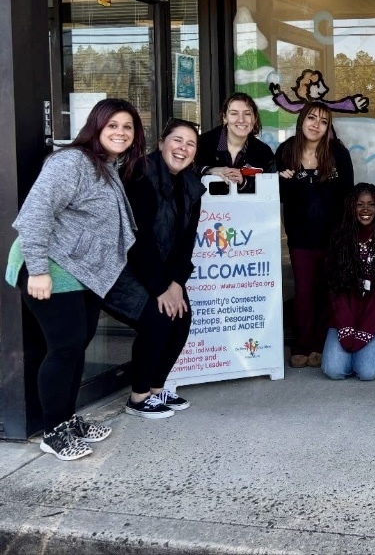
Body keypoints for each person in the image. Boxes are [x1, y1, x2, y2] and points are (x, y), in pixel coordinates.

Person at [5, 99, 143, 460]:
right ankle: (53, 432)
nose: (121, 132)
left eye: (127, 127)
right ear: (96, 126)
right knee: (64, 348)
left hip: (81, 270)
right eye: (112, 125)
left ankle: (68, 419)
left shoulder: (106, 164)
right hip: (50, 265)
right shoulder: (71, 162)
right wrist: (38, 270)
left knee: (77, 345)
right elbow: (35, 215)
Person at [104, 118, 205, 419]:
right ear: (161, 143)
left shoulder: (191, 185)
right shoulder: (139, 175)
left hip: (158, 270)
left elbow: (186, 242)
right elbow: (138, 240)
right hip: (121, 267)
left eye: (190, 144)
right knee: (158, 317)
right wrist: (161, 289)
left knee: (181, 316)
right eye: (177, 140)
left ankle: (156, 389)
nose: (182, 148)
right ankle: (138, 397)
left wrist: (176, 284)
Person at [276, 101, 354, 369]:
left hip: (332, 236)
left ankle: (319, 345)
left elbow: (348, 196)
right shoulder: (286, 150)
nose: (316, 125)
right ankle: (300, 345)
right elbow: (278, 194)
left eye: (323, 121)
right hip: (300, 237)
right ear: (302, 120)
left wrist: (345, 235)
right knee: (304, 293)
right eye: (311, 118)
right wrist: (282, 180)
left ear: (328, 127)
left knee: (326, 292)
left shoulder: (338, 153)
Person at [323, 183, 375, 381]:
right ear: (352, 207)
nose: (365, 209)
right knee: (334, 370)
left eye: (371, 204)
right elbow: (334, 287)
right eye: (359, 204)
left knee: (367, 372)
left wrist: (366, 329)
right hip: (346, 314)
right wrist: (346, 327)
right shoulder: (340, 235)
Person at [197, 92, 275, 192]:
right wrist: (208, 170)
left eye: (247, 114)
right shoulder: (203, 143)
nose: (241, 120)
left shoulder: (263, 152)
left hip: (246, 203)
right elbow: (186, 174)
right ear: (225, 118)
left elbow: (270, 189)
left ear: (255, 118)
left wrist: (244, 182)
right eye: (234, 113)